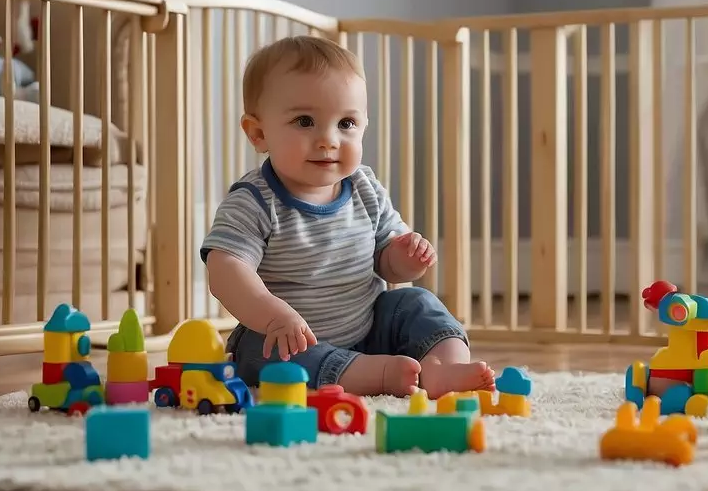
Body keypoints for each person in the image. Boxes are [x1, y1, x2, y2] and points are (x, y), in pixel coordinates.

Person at [200, 34, 495, 398]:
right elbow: (225, 270)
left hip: (369, 329)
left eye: (346, 124)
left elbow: (388, 264)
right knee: (269, 353)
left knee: (417, 303)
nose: (329, 140)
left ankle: (445, 367)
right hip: (290, 338)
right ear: (259, 133)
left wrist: (405, 258)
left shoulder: (363, 187)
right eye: (305, 121)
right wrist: (272, 314)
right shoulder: (255, 201)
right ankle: (378, 375)